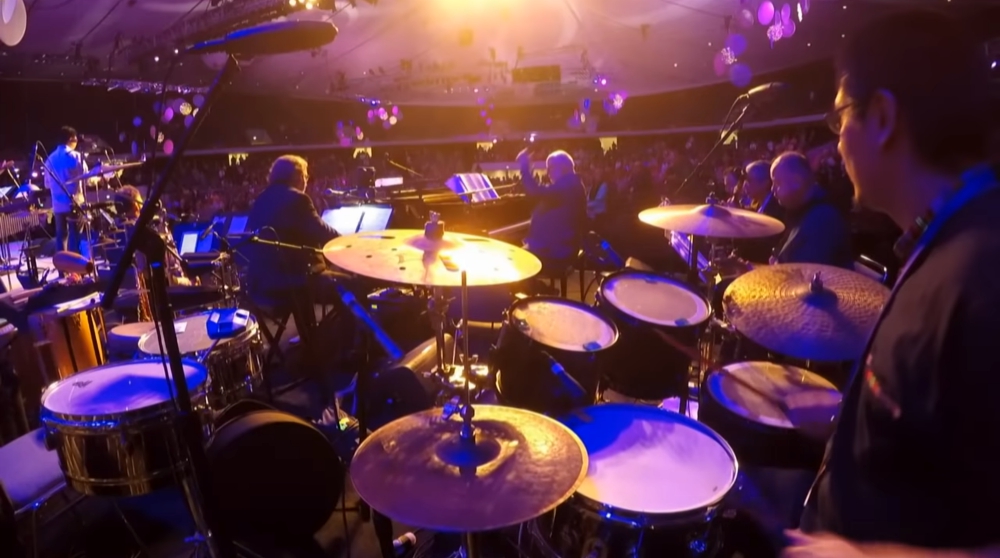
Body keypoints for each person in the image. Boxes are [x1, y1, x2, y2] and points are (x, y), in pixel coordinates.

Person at [782, 9, 1000, 557]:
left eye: (839, 119)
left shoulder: (983, 275)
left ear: (881, 117)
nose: (835, 144)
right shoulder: (948, 243)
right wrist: (845, 417)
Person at [769, 151, 853, 268]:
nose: (772, 190)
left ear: (796, 182)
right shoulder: (802, 209)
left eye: (777, 183)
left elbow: (801, 274)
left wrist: (775, 268)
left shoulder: (822, 220)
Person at [515, 148, 587, 270]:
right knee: (516, 256)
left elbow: (535, 192)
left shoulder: (569, 185)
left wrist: (525, 168)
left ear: (564, 167)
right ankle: (538, 288)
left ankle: (539, 288)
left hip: (558, 250)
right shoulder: (569, 184)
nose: (547, 172)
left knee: (515, 260)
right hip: (556, 245)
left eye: (551, 167)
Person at [43, 127, 87, 253]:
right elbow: (87, 179)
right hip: (74, 203)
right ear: (71, 139)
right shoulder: (76, 156)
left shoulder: (49, 159)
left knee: (60, 237)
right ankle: (75, 268)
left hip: (57, 206)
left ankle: (62, 269)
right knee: (75, 235)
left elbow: (47, 184)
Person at [737, 160, 785, 263]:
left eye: (749, 180)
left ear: (765, 184)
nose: (744, 185)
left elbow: (761, 248)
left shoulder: (775, 209)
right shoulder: (757, 203)